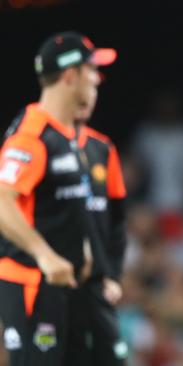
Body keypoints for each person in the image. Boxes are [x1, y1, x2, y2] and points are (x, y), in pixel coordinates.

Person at [0, 31, 116, 365]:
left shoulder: (68, 136)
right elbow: (3, 200)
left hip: (62, 286)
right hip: (31, 281)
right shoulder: (33, 134)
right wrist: (44, 255)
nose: (97, 78)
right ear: (70, 75)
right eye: (92, 70)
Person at [65, 85, 128, 366]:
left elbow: (117, 221)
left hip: (96, 284)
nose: (89, 95)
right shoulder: (40, 141)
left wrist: (112, 274)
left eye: (93, 87)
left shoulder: (102, 149)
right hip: (55, 282)